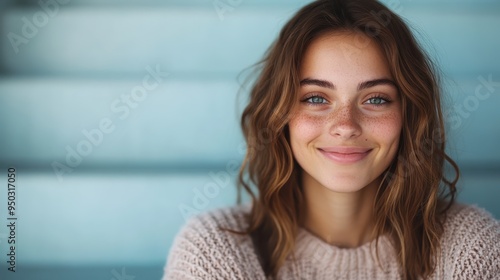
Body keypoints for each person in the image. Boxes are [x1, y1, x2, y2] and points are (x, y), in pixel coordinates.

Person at [163, 0, 500, 279]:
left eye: (376, 99)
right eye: (315, 98)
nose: (345, 126)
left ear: (409, 115)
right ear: (280, 115)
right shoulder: (212, 248)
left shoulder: (473, 245)